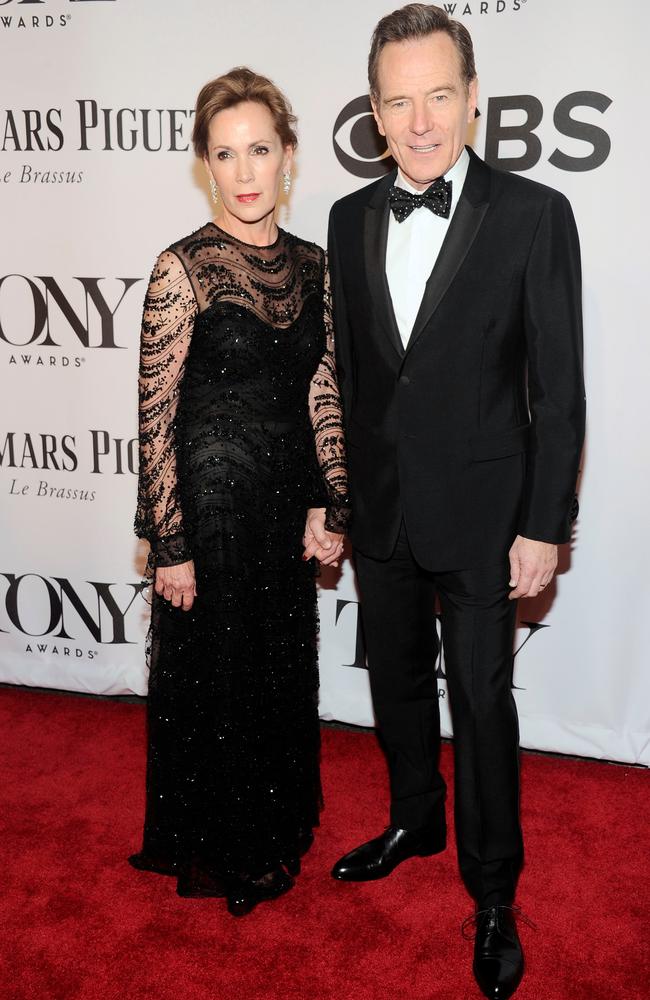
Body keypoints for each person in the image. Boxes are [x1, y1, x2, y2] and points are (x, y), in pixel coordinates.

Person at [323, 5, 585, 998]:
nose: (420, 118)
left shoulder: (530, 214)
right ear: (374, 113)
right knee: (393, 682)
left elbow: (557, 391)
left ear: (473, 100)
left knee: (479, 703)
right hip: (382, 510)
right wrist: (333, 498)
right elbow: (347, 375)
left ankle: (491, 891)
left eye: (438, 94)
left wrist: (542, 525)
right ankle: (410, 818)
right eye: (398, 100)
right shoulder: (349, 221)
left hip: (485, 511)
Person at [129, 67, 349, 917]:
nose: (246, 170)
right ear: (206, 165)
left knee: (278, 672)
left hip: (283, 507)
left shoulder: (316, 267)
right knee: (220, 680)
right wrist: (170, 544)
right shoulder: (180, 269)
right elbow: (154, 418)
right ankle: (226, 845)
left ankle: (274, 822)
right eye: (227, 153)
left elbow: (324, 388)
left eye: (261, 149)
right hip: (213, 511)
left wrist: (334, 500)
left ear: (288, 157)